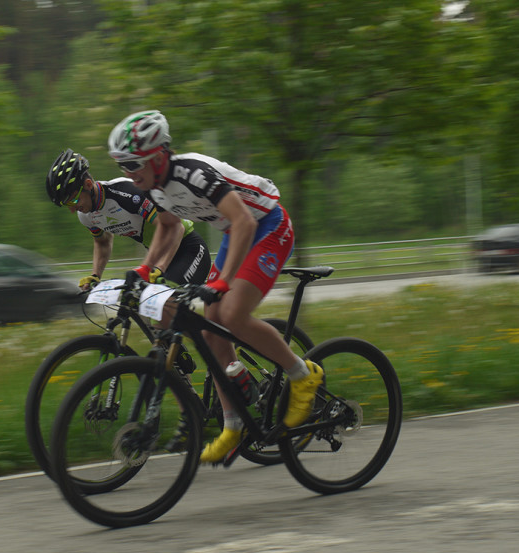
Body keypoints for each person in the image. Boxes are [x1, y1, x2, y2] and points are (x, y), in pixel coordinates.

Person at [107, 109, 324, 463]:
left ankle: (302, 374)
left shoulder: (193, 173)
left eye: (133, 164)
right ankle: (234, 427)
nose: (128, 173)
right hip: (235, 232)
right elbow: (166, 225)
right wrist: (146, 268)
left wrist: (223, 282)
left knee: (233, 314)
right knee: (210, 330)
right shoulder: (156, 186)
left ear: (159, 157)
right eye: (122, 167)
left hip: (267, 225)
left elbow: (243, 220)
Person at [46, 148, 210, 289]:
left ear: (88, 185)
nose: (72, 209)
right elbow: (102, 242)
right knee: (147, 312)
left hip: (187, 248)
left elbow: (175, 229)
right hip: (159, 259)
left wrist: (159, 267)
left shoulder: (126, 193)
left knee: (167, 305)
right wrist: (96, 275)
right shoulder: (86, 215)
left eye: (73, 200)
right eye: (66, 204)